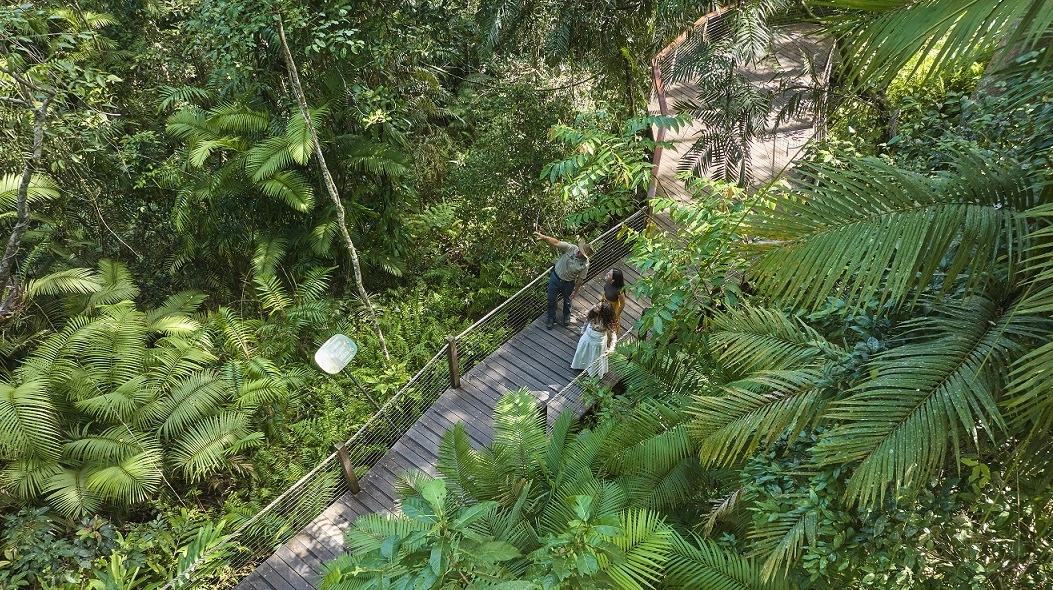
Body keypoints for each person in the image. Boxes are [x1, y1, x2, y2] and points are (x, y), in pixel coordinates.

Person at [534, 231, 593, 329]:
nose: (578, 252)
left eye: (581, 253)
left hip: (569, 282)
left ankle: (566, 315)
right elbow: (556, 243)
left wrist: (576, 291)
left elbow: (580, 279)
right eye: (580, 249)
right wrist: (544, 237)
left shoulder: (585, 264)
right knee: (551, 299)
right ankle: (551, 317)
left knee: (568, 300)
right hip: (556, 278)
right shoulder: (570, 248)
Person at [571, 300, 615, 377]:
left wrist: (611, 349)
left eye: (598, 307)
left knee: (593, 357)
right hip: (587, 336)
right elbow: (586, 321)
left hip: (597, 341)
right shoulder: (592, 312)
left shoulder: (607, 322)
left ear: (602, 312)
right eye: (596, 305)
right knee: (581, 351)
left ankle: (591, 371)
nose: (595, 307)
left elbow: (613, 336)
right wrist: (582, 332)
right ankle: (579, 365)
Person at [602, 268, 627, 340]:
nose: (607, 274)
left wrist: (616, 316)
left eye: (609, 274)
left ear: (613, 280)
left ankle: (608, 341)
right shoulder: (608, 282)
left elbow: (622, 304)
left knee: (609, 324)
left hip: (612, 307)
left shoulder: (619, 291)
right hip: (604, 301)